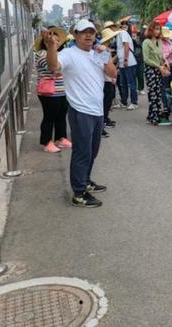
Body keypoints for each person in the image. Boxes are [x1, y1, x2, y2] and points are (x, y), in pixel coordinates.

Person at [44, 19, 117, 208]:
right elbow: (53, 67)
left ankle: (85, 180)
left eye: (91, 32)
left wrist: (106, 56)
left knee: (92, 151)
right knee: (82, 152)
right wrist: (52, 47)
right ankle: (79, 192)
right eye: (84, 32)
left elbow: (113, 73)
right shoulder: (69, 54)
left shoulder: (96, 54)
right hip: (80, 110)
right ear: (75, 35)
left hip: (97, 110)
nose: (88, 35)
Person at [34, 27, 71, 153]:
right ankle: (47, 141)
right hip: (48, 91)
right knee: (49, 116)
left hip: (61, 89)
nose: (56, 40)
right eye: (52, 38)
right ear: (46, 41)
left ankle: (61, 137)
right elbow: (53, 69)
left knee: (61, 114)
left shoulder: (60, 54)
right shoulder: (41, 54)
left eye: (56, 38)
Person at [142, 22, 172, 127]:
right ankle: (154, 117)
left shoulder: (159, 41)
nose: (158, 31)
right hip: (150, 70)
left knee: (158, 93)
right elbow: (146, 59)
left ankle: (153, 116)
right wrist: (158, 66)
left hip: (159, 69)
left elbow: (161, 54)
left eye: (159, 29)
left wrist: (165, 61)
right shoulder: (146, 42)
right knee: (152, 94)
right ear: (151, 30)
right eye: (156, 29)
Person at [99, 27, 120, 137]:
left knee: (107, 102)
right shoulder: (102, 50)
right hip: (105, 80)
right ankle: (101, 125)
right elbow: (106, 65)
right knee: (104, 103)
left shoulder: (106, 49)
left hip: (109, 79)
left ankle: (105, 120)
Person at [116, 19, 138, 110]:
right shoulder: (119, 34)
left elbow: (126, 46)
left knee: (131, 83)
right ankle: (123, 102)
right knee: (123, 83)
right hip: (122, 63)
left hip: (129, 62)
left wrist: (125, 59)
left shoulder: (123, 33)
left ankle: (134, 102)